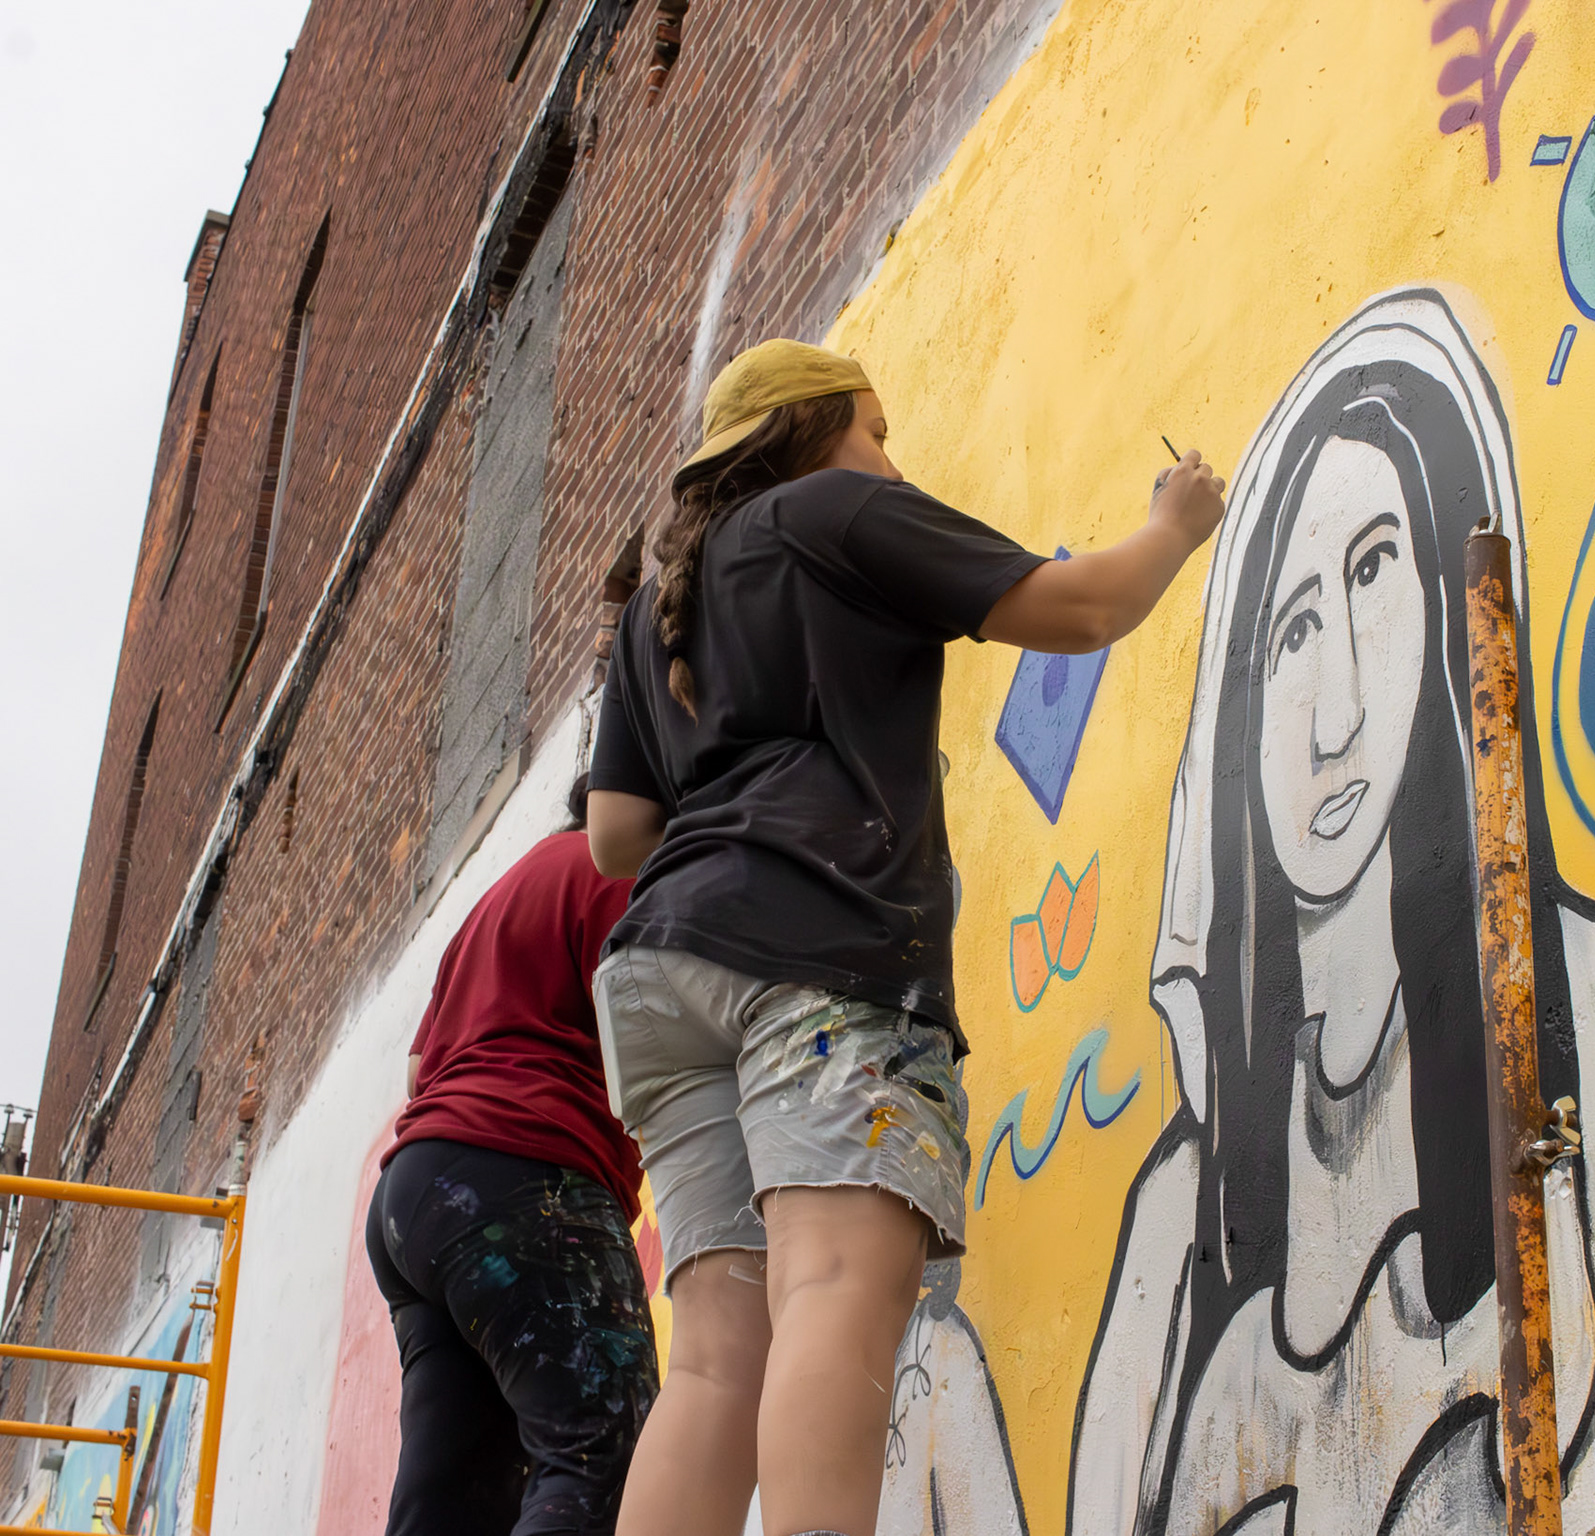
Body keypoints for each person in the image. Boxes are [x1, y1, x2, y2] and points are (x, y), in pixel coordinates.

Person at [1067, 290, 1595, 1534]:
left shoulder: (1566, 1007)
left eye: (1375, 570)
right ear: (1234, 715)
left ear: (1442, 603)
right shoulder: (1183, 1216)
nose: (1334, 714)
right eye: (1291, 632)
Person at [585, 337, 1226, 1536]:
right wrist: (1175, 523)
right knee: (831, 1286)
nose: (889, 456)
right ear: (807, 428)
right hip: (816, 951)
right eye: (874, 428)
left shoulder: (652, 615)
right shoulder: (835, 511)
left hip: (663, 973)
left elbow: (615, 836)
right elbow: (1084, 608)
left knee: (717, 1356)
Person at [366, 775, 658, 1536]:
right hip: (522, 1175)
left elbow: (417, 1072)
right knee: (602, 1448)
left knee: (451, 1495)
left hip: (414, 1198)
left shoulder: (501, 896)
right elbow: (659, 1036)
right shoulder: (621, 873)